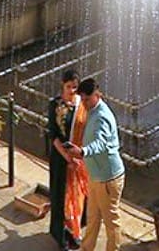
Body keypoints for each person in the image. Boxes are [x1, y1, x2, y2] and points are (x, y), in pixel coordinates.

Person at [67, 78, 124, 251]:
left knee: (111, 222)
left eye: (87, 99)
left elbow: (101, 143)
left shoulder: (101, 117)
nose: (83, 103)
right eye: (82, 99)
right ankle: (86, 248)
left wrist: (83, 152)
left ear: (97, 94)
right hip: (96, 176)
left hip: (108, 178)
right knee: (92, 218)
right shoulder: (91, 110)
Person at [47, 69, 88, 249]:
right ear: (62, 86)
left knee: (78, 196)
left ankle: (74, 231)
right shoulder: (55, 105)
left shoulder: (82, 105)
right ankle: (61, 234)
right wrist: (66, 157)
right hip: (61, 158)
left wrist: (79, 156)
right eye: (68, 87)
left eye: (75, 87)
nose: (72, 91)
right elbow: (53, 135)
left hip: (79, 159)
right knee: (60, 195)